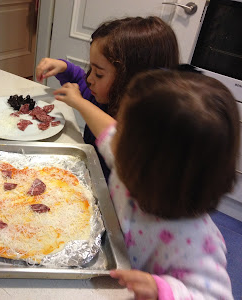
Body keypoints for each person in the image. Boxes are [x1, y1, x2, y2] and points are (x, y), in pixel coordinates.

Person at [55, 69, 237, 299]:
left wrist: (165, 290)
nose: (114, 135)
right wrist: (78, 102)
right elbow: (106, 130)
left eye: (122, 130)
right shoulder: (133, 168)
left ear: (145, 161)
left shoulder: (196, 245)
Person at [36, 16, 179, 180]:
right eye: (92, 68)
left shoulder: (144, 131)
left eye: (99, 74)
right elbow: (80, 82)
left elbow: (116, 138)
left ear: (132, 81)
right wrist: (64, 68)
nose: (90, 79)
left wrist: (81, 103)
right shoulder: (102, 96)